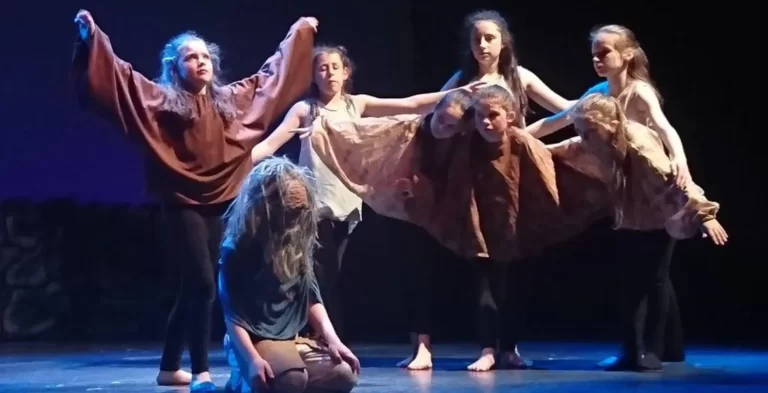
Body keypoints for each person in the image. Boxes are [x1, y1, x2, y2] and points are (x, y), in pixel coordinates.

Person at [72, 9, 317, 390]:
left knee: (196, 287)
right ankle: (202, 372)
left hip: (222, 200)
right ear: (175, 66)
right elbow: (121, 79)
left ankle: (170, 367)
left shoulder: (229, 100)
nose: (200, 62)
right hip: (181, 201)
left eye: (205, 56)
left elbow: (271, 78)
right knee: (204, 284)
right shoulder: (160, 101)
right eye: (191, 57)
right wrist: (92, 38)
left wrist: (299, 32)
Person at [250, 45, 482, 341]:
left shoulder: (355, 105)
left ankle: (322, 338)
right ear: (314, 75)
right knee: (322, 276)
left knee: (332, 276)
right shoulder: (305, 109)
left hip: (347, 205)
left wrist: (458, 93)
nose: (329, 73)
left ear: (346, 73)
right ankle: (326, 339)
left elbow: (410, 105)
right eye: (322, 68)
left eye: (335, 67)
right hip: (314, 204)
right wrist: (237, 162)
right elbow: (270, 145)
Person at [525, 24, 698, 368]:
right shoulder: (599, 93)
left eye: (604, 52)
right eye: (594, 53)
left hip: (656, 187)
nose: (597, 58)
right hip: (624, 192)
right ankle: (667, 347)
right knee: (648, 270)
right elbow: (559, 119)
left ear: (627, 55)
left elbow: (665, 128)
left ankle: (647, 349)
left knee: (654, 273)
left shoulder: (639, 92)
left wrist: (681, 161)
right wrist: (516, 138)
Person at [425, 9, 574, 371]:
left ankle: (510, 346)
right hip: (476, 181)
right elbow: (431, 117)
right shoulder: (462, 80)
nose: (482, 45)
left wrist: (535, 134)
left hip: (518, 181)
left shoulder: (518, 78)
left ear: (503, 41)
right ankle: (488, 348)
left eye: (489, 38)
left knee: (518, 266)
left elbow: (567, 108)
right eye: (476, 39)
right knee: (484, 268)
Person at [545, 92, 728, 371]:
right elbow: (560, 149)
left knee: (653, 281)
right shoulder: (591, 142)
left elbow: (674, 181)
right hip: (630, 216)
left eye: (589, 132)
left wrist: (705, 216)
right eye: (580, 131)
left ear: (608, 126)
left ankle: (651, 351)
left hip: (659, 215)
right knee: (630, 284)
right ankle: (632, 350)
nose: (583, 139)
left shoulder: (639, 145)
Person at [219, 156, 359, 393]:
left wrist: (333, 339)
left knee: (343, 374)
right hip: (252, 340)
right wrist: (252, 360)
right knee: (290, 379)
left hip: (288, 339)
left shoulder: (295, 245)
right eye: (290, 214)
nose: (294, 222)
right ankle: (241, 378)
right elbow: (234, 318)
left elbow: (311, 299)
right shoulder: (237, 250)